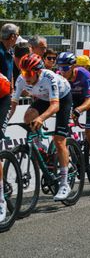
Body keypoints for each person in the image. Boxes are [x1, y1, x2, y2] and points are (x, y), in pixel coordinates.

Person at [9, 54, 73, 201]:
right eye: (24, 72)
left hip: (62, 99)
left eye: (29, 73)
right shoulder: (21, 80)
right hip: (44, 99)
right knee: (27, 117)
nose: (26, 77)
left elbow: (55, 106)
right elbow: (13, 106)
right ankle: (41, 148)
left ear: (38, 71)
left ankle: (64, 183)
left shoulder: (49, 77)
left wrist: (41, 118)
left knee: (59, 140)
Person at [56, 52, 90, 185]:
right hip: (73, 98)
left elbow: (89, 102)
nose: (62, 71)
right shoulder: (59, 76)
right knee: (63, 132)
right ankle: (74, 157)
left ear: (73, 67)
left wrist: (78, 111)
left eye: (65, 68)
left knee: (89, 131)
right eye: (59, 68)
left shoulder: (83, 74)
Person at [0, 23, 19, 221]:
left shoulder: (8, 51)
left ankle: (1, 197)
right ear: (12, 37)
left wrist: (13, 90)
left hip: (3, 99)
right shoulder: (2, 51)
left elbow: (12, 75)